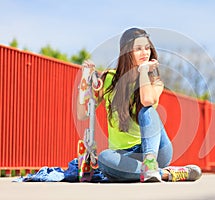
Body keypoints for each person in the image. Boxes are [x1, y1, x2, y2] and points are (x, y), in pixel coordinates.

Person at [77, 27, 201, 183]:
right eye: (138, 49)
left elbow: (147, 101)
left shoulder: (155, 81)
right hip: (124, 156)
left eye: (147, 48)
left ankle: (150, 165)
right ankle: (166, 174)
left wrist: (143, 72)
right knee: (103, 159)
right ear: (127, 52)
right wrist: (83, 84)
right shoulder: (109, 78)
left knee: (146, 111)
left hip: (156, 152)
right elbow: (83, 114)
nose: (145, 53)